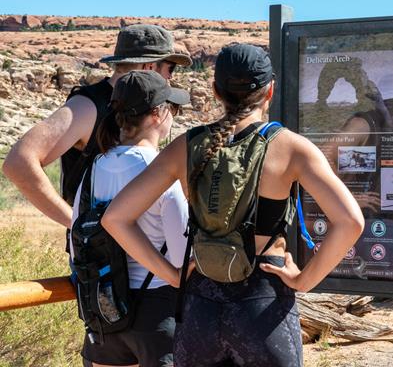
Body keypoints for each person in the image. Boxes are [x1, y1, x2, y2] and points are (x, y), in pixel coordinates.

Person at [101, 44, 365, 366]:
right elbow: (351, 222)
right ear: (270, 91)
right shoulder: (290, 147)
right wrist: (303, 280)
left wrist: (172, 275)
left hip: (200, 308)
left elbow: (115, 218)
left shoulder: (188, 145)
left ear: (215, 91)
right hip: (263, 306)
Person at [2, 24, 192, 231]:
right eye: (170, 68)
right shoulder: (88, 106)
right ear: (149, 67)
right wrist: (78, 223)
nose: (171, 77)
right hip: (102, 255)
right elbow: (19, 163)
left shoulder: (135, 106)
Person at [73, 70, 190, 367]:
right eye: (172, 108)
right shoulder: (161, 171)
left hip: (104, 313)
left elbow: (76, 243)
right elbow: (180, 256)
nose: (174, 115)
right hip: (156, 314)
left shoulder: (94, 169)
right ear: (157, 114)